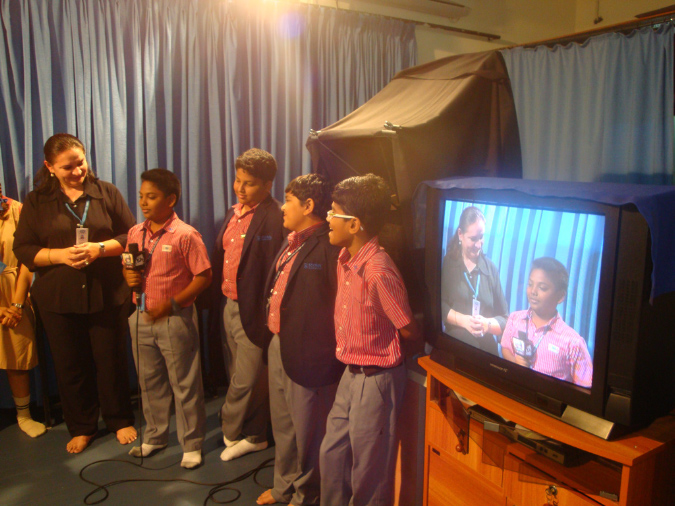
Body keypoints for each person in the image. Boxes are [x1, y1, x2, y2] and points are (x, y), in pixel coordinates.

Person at [13, 133, 136, 453]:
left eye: (80, 162)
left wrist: (99, 249)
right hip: (58, 299)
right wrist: (60, 256)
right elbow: (23, 249)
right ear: (49, 167)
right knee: (70, 366)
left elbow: (132, 236)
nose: (77, 171)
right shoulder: (36, 201)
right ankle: (82, 427)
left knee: (111, 362)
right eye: (67, 167)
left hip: (107, 293)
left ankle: (119, 419)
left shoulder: (106, 192)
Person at [319, 173, 419, 506]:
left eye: (334, 213)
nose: (328, 219)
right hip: (351, 373)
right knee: (332, 454)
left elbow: (408, 328)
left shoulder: (378, 270)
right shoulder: (345, 260)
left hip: (376, 378)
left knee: (370, 469)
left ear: (355, 224)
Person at [257, 174, 344, 506]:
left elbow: (337, 308)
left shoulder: (329, 246)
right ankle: (283, 488)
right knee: (283, 427)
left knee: (308, 433)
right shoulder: (291, 239)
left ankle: (306, 496)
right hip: (280, 343)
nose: (282, 207)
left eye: (289, 201)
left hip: (310, 355)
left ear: (308, 206)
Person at [122, 168, 212, 469]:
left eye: (151, 197)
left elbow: (204, 276)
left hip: (174, 318)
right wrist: (128, 275)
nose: (143, 203)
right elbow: (127, 265)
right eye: (141, 196)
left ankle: (192, 443)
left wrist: (172, 304)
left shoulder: (185, 234)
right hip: (140, 315)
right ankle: (155, 436)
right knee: (149, 381)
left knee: (184, 383)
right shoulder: (135, 232)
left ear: (170, 199)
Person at [209, 148, 284, 461]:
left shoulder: (276, 217)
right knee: (236, 373)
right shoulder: (234, 212)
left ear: (267, 185)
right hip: (228, 303)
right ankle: (254, 435)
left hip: (253, 309)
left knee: (248, 377)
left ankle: (230, 425)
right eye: (238, 180)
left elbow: (275, 269)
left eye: (249, 183)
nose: (240, 188)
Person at [501, 257, 593, 387]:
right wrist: (516, 363)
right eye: (530, 284)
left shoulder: (573, 342)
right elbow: (505, 348)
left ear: (560, 296)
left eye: (542, 288)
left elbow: (586, 386)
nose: (533, 291)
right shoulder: (515, 319)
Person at [0, 183, 46, 438]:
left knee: (16, 354)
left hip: (14, 291)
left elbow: (27, 260)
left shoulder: (17, 210)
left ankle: (24, 415)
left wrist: (16, 305)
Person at [441, 205, 508, 356]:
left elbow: (504, 318)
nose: (478, 245)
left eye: (481, 237)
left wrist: (487, 325)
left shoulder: (491, 269)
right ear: (460, 234)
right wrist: (464, 321)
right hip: (455, 351)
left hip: (487, 355)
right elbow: (439, 306)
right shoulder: (447, 264)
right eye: (473, 239)